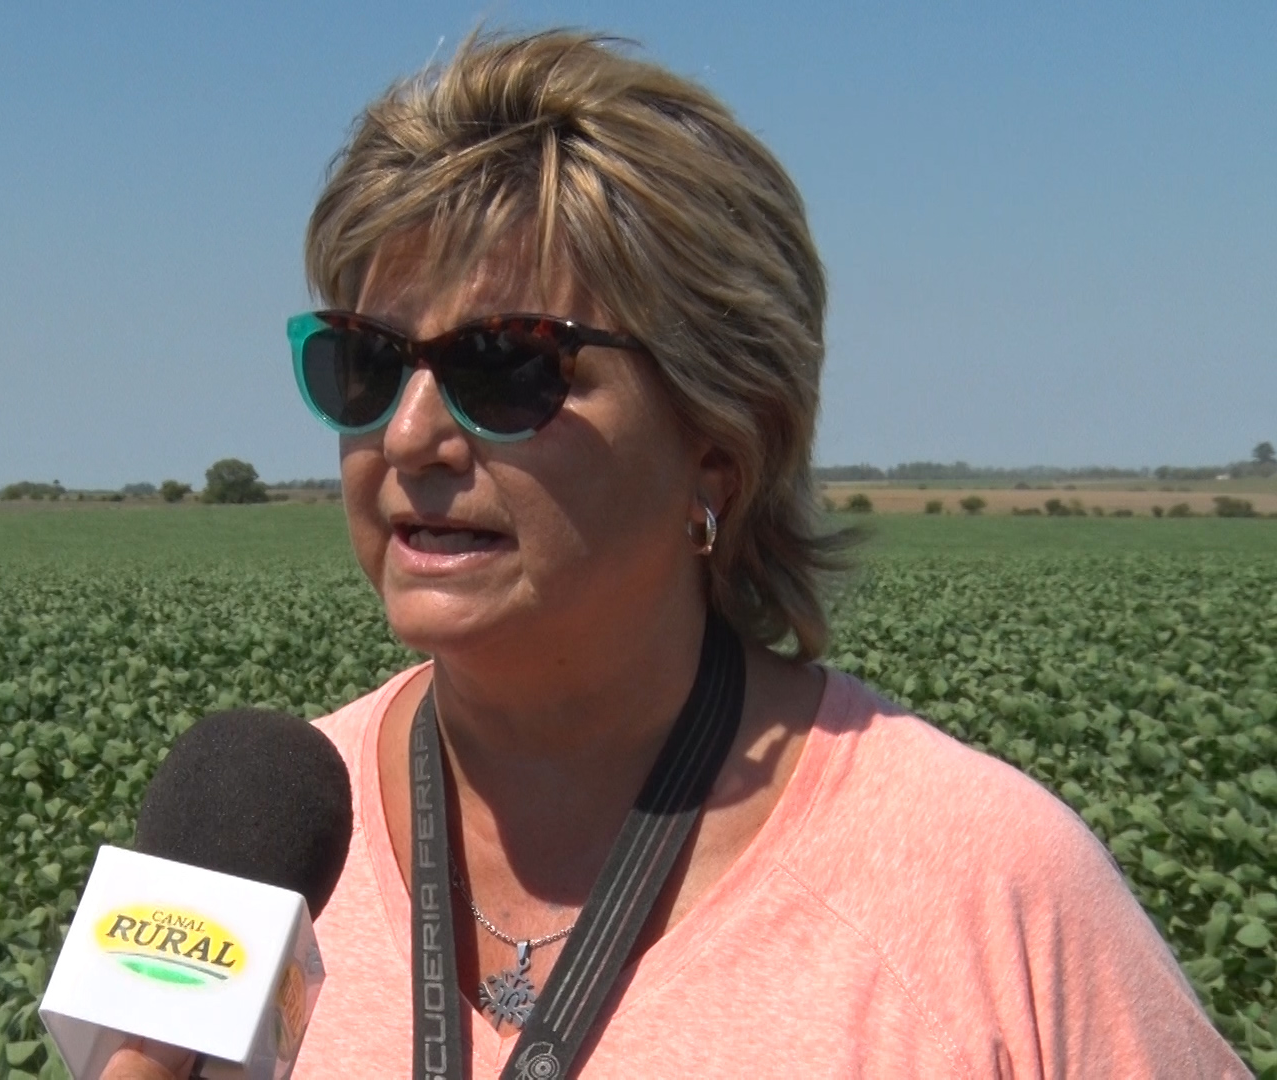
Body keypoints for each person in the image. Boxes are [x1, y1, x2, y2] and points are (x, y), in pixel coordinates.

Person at [106, 30, 1247, 1079]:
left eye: (506, 366)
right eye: (365, 362)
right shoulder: (246, 844)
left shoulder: (991, 892)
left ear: (718, 445)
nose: (408, 436)